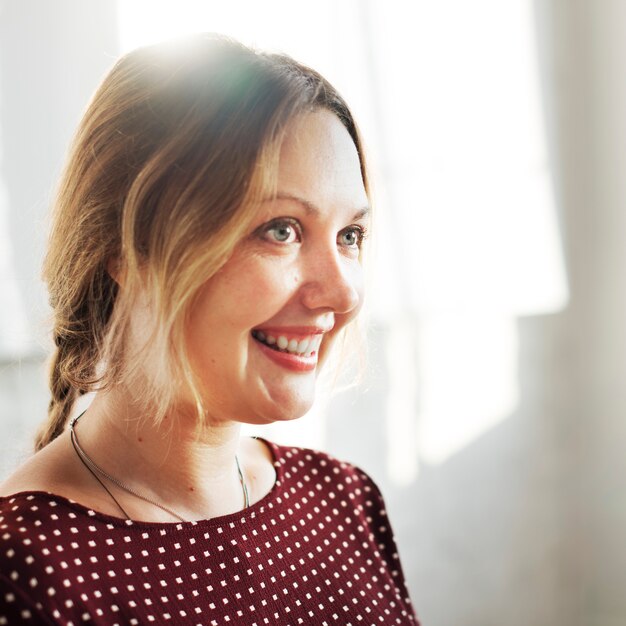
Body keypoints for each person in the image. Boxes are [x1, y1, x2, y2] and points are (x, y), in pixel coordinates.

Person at [0, 34, 419, 625]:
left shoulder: (345, 501)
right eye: (281, 229)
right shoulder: (29, 573)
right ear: (126, 248)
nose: (345, 291)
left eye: (350, 235)